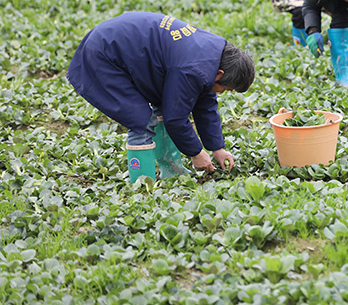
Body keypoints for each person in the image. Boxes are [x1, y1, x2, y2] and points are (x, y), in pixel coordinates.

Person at [66, 12, 255, 183]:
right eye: (226, 88)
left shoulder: (214, 55)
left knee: (165, 109)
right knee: (140, 119)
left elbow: (204, 103)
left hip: (129, 48)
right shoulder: (194, 68)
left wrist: (217, 148)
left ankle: (172, 173)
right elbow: (176, 119)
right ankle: (142, 184)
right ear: (220, 73)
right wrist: (196, 153)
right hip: (105, 53)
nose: (222, 93)